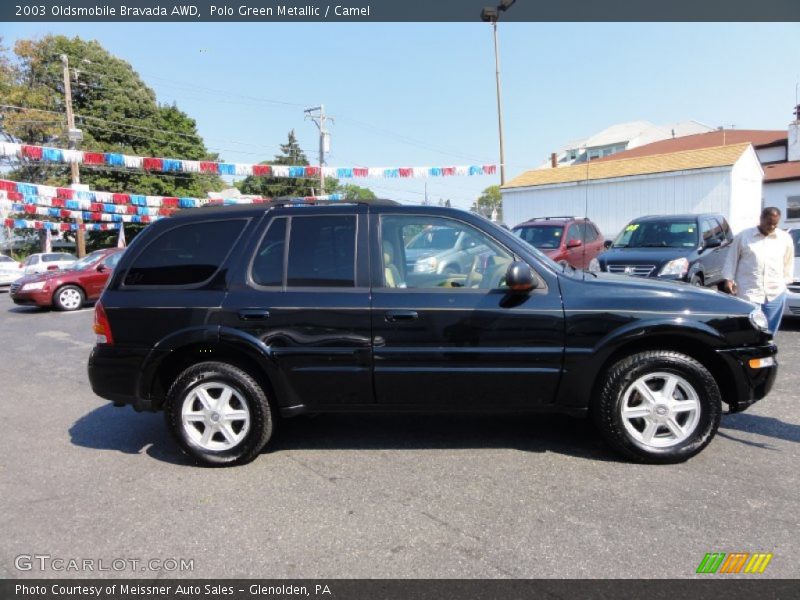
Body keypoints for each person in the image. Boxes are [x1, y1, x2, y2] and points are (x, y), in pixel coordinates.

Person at [722, 207, 795, 333]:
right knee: (750, 327)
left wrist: (785, 282)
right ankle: (750, 352)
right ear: (761, 219)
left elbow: (788, 262)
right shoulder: (744, 236)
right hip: (749, 291)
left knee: (769, 330)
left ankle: (767, 351)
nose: (771, 227)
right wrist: (728, 279)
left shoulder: (784, 238)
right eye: (769, 223)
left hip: (775, 292)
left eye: (775, 224)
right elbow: (731, 259)